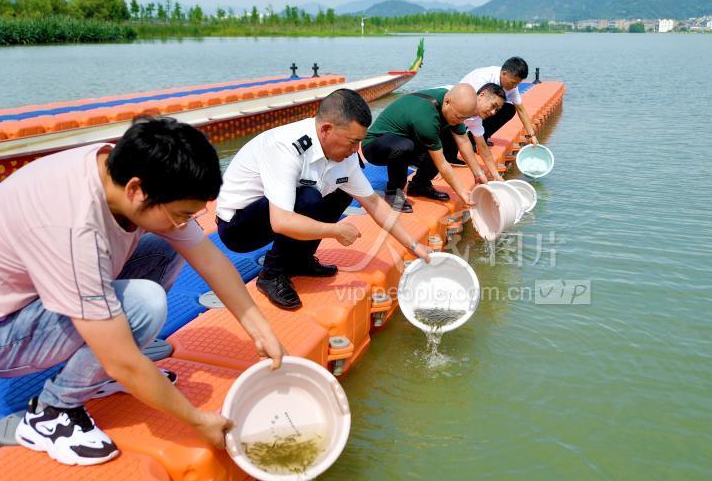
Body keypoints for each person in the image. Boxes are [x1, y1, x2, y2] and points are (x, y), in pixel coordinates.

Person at [0, 116, 287, 467]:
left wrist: (261, 331)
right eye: (180, 214)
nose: (183, 223)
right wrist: (198, 421)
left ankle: (94, 373)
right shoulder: (73, 227)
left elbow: (208, 258)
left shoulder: (118, 169)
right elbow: (122, 359)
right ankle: (52, 411)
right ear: (136, 191)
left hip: (37, 297)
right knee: (143, 305)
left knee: (165, 249)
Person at [215, 89, 433, 311]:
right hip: (238, 228)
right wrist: (334, 231)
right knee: (308, 197)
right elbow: (281, 222)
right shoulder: (286, 147)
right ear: (326, 129)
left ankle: (301, 260)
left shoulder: (346, 155)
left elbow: (374, 203)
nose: (356, 149)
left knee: (342, 191)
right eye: (353, 141)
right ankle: (272, 274)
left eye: (359, 141)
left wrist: (414, 246)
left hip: (276, 214)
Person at [361, 83, 486, 213]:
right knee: (407, 147)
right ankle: (393, 193)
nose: (461, 121)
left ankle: (420, 185)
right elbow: (441, 163)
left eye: (465, 118)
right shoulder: (427, 117)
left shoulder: (455, 108)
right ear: (447, 102)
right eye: (459, 117)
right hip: (374, 145)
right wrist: (462, 192)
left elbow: (464, 141)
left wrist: (478, 174)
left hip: (406, 139)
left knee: (440, 142)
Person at [448, 57, 540, 166]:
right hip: (461, 104)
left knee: (509, 109)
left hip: (479, 111)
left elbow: (521, 110)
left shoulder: (512, 87)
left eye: (517, 84)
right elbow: (474, 104)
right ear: (504, 73)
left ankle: (475, 139)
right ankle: (451, 152)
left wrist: (532, 135)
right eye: (513, 82)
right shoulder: (483, 78)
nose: (515, 87)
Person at [440, 82, 507, 181]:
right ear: (481, 95)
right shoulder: (460, 100)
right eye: (493, 105)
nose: (493, 112)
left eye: (497, 110)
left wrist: (496, 176)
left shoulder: (476, 119)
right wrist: (439, 167)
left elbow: (483, 147)